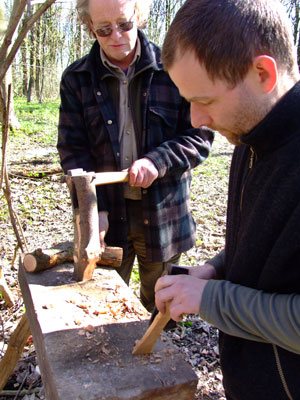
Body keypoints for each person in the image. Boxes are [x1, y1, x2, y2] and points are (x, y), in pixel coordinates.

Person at [154, 0, 300, 398]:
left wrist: (211, 299)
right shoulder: (250, 134)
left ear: (262, 73)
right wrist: (215, 270)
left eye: (206, 100)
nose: (196, 120)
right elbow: (266, 252)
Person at [57, 0, 213, 312]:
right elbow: (73, 151)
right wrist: (92, 210)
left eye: (124, 24)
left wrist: (158, 161)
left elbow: (200, 136)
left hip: (163, 214)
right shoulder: (76, 79)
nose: (116, 35)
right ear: (90, 28)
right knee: (106, 301)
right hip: (108, 217)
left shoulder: (174, 69)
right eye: (103, 29)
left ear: (138, 16)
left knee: (160, 301)